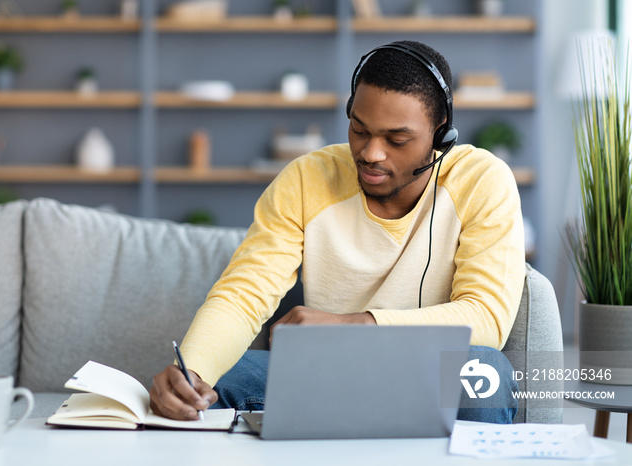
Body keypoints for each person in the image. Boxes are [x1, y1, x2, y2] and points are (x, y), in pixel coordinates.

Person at [149, 40, 524, 424]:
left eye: (396, 140)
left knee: (484, 370)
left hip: (430, 372)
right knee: (219, 377)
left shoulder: (482, 181)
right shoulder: (306, 179)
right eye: (360, 130)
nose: (371, 153)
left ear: (440, 135)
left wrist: (353, 327)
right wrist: (191, 372)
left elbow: (487, 318)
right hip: (325, 375)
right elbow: (244, 293)